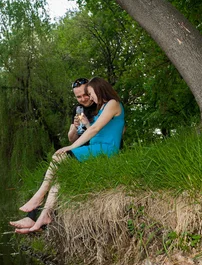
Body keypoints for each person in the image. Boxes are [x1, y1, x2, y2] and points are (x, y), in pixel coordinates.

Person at [13, 77, 124, 233]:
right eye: (81, 96)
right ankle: (44, 215)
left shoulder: (112, 104)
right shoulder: (102, 107)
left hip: (104, 150)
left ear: (98, 90)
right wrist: (82, 125)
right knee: (59, 175)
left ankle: (38, 197)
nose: (89, 98)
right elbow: (91, 130)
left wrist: (71, 147)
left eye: (90, 93)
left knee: (58, 157)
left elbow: (96, 130)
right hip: (95, 147)